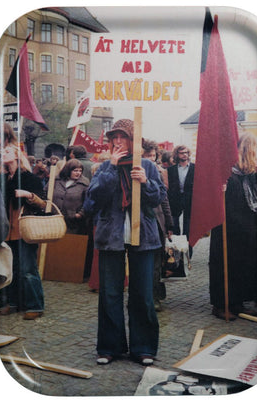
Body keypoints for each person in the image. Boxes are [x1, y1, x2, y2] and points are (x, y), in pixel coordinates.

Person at [86, 119, 166, 366]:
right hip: (111, 236)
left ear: (133, 141)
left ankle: (143, 348)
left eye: (122, 137)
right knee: (110, 293)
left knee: (142, 293)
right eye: (114, 138)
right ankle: (110, 347)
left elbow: (158, 199)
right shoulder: (103, 167)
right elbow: (93, 199)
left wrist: (146, 182)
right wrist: (110, 168)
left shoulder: (148, 166)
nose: (117, 142)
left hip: (143, 236)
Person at [209, 133, 257, 320]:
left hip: (245, 226)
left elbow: (253, 200)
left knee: (242, 265)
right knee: (224, 264)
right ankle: (221, 304)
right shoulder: (227, 171)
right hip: (227, 225)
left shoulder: (250, 172)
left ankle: (237, 302)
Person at [0, 145, 46, 320]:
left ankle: (35, 305)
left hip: (24, 228)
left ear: (18, 156)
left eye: (7, 151)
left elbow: (43, 204)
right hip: (7, 230)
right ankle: (14, 303)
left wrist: (28, 195)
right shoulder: (2, 179)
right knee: (11, 268)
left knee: (27, 269)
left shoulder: (29, 178)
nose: (3, 153)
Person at [142, 139, 173, 311]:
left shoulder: (159, 173)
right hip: (141, 223)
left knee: (156, 263)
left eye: (153, 155)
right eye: (148, 156)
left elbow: (164, 200)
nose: (151, 159)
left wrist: (170, 224)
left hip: (157, 222)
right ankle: (139, 296)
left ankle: (154, 297)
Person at [45, 159, 90, 235]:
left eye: (80, 171)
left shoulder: (84, 183)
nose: (78, 173)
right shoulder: (56, 180)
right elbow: (45, 193)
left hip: (73, 222)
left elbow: (88, 201)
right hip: (54, 219)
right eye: (75, 171)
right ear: (68, 170)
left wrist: (80, 214)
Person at [167, 145, 194, 257]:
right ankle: (177, 255)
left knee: (188, 228)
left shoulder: (194, 168)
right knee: (175, 227)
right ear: (177, 155)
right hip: (175, 200)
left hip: (189, 200)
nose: (184, 154)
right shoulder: (171, 170)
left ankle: (188, 254)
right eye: (182, 153)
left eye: (186, 152)